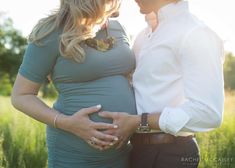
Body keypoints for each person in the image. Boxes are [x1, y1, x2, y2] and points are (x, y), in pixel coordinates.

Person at [99, 0, 224, 167]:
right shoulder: (143, 37)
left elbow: (209, 113)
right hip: (137, 151)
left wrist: (139, 121)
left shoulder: (195, 33)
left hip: (172, 155)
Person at [11, 0, 137, 167]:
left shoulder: (117, 28)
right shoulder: (51, 31)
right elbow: (21, 95)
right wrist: (67, 123)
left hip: (122, 154)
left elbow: (127, 77)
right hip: (73, 154)